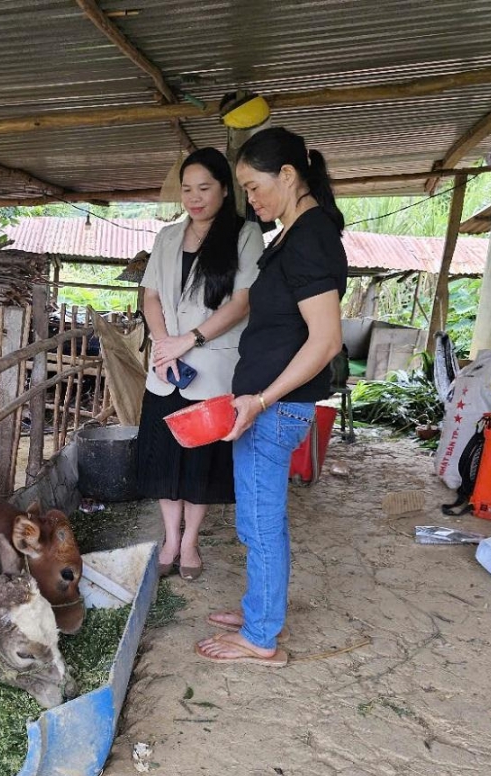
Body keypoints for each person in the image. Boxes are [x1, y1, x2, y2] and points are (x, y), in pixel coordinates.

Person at [196, 127, 347, 667]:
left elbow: (325, 339)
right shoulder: (293, 234)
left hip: (274, 407)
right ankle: (262, 606)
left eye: (254, 187)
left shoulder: (311, 237)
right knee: (261, 521)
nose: (250, 199)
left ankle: (261, 639)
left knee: (260, 524)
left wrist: (260, 401)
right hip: (261, 405)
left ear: (288, 175)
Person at [136, 147, 264, 581]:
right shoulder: (167, 238)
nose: (194, 197)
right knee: (164, 458)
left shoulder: (245, 235)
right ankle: (170, 538)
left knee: (200, 463)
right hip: (165, 366)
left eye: (204, 188)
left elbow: (244, 301)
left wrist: (188, 340)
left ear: (225, 190)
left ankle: (190, 543)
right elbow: (150, 295)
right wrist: (162, 343)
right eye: (187, 189)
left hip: (210, 368)